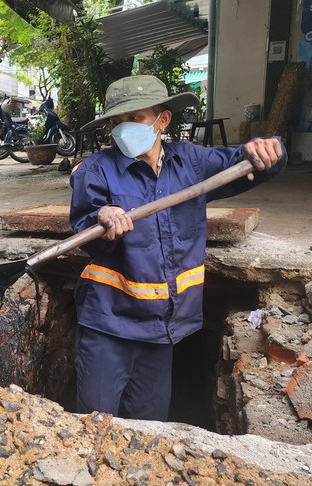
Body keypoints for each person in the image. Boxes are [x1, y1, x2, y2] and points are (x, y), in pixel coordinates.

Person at [69, 75, 286, 421]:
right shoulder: (95, 171)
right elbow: (86, 226)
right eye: (116, 121)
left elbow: (246, 164)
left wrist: (270, 150)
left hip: (162, 328)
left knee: (150, 429)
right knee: (93, 425)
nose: (124, 128)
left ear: (162, 119)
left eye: (135, 118)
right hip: (109, 324)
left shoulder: (192, 163)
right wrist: (103, 216)